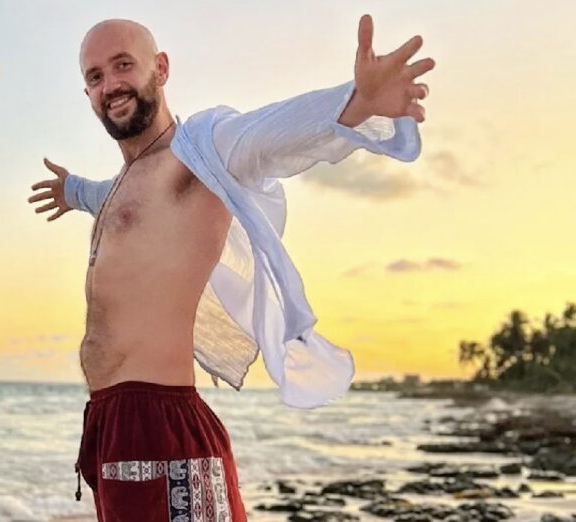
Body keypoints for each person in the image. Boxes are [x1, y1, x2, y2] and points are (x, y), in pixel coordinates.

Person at [28, 15, 434, 521]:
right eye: (95, 76)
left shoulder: (201, 153)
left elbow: (269, 134)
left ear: (160, 68)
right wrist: (72, 191)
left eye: (123, 65)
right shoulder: (125, 184)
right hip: (113, 430)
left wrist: (355, 102)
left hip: (163, 430)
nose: (110, 85)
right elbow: (104, 197)